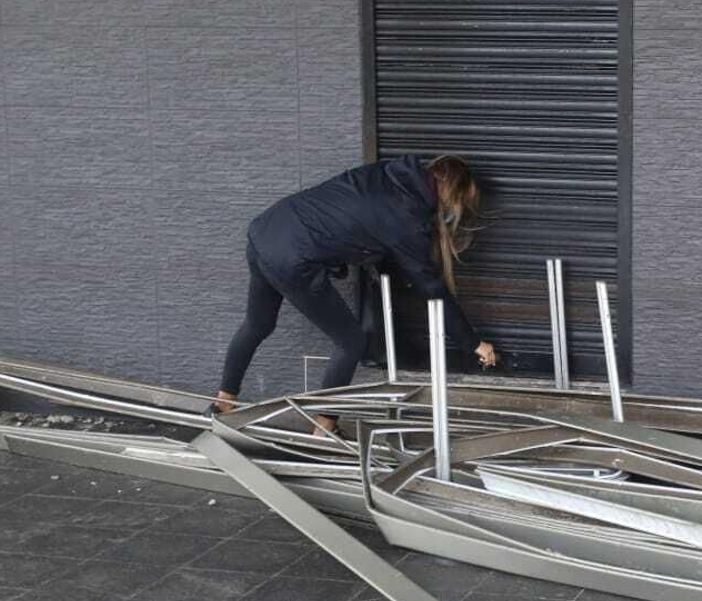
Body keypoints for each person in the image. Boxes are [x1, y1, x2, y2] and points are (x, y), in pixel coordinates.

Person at [211, 154, 498, 414]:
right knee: (351, 341)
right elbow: (432, 288)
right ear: (452, 199)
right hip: (294, 258)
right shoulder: (407, 220)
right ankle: (324, 426)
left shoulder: (387, 173)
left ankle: (223, 400)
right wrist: (472, 342)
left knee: (258, 324)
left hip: (266, 230)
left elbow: (363, 219)